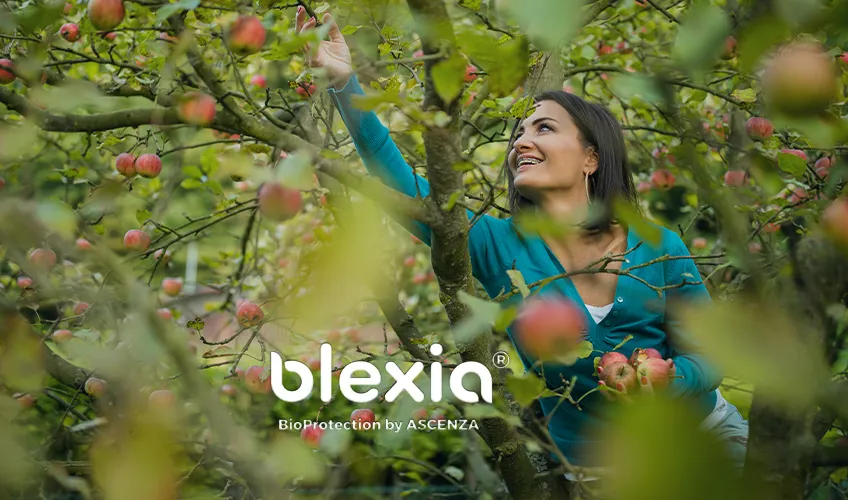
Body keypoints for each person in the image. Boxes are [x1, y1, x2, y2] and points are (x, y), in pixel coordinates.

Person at [294, 7, 750, 472]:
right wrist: (343, 82)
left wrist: (667, 379)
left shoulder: (660, 247)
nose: (520, 143)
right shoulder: (497, 246)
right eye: (518, 133)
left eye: (544, 128)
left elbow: (710, 359)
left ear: (591, 158)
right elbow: (399, 184)